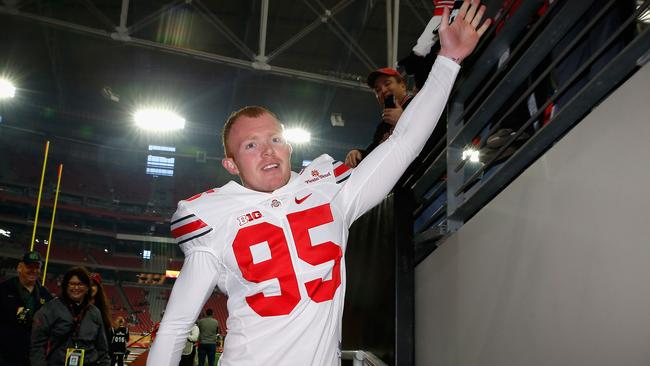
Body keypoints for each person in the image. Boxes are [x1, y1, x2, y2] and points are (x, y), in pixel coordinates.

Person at [148, 2, 489, 365]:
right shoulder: (213, 217)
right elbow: (176, 325)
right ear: (230, 164)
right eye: (251, 145)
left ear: (289, 147)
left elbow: (403, 142)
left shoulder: (330, 192)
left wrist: (448, 61)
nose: (267, 151)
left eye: (275, 139)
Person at [31, 266, 110, 366]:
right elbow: (37, 346)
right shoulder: (50, 309)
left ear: (87, 288)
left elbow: (102, 349)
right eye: (72, 284)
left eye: (80, 284)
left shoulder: (94, 312)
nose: (76, 288)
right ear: (65, 286)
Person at [345, 66, 412, 168]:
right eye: (378, 90)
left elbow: (433, 132)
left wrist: (402, 121)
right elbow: (374, 152)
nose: (383, 90)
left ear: (402, 85)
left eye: (387, 83)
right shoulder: (382, 126)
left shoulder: (417, 104)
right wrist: (359, 154)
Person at [0, 251, 53, 366]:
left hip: (34, 356)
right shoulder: (4, 290)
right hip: (6, 355)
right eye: (29, 266)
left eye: (37, 267)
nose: (33, 270)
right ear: (20, 267)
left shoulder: (45, 294)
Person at [90, 272, 113, 343]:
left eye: (93, 285)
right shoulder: (77, 306)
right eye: (88, 285)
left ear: (98, 288)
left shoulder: (102, 310)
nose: (90, 288)